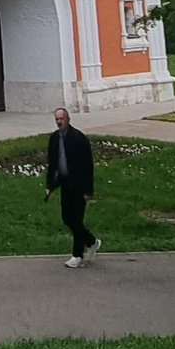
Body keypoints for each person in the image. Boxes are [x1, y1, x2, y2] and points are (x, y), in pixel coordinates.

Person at [45, 105, 100, 265]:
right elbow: (52, 163)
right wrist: (50, 186)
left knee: (76, 219)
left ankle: (77, 255)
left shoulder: (78, 138)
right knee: (67, 218)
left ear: (68, 119)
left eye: (62, 119)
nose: (59, 122)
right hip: (65, 184)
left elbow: (88, 166)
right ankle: (91, 242)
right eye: (57, 119)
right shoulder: (55, 138)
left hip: (79, 185)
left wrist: (88, 190)